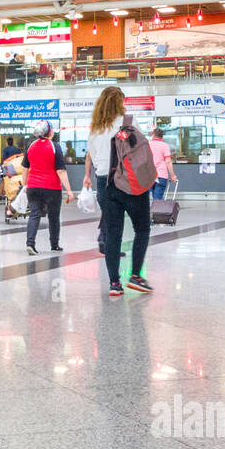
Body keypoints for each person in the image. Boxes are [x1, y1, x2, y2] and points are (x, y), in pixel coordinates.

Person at [100, 112, 154, 296]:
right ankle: (136, 276)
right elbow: (140, 155)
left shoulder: (95, 126)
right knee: (142, 229)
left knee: (113, 235)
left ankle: (114, 283)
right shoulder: (129, 121)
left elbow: (95, 157)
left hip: (108, 184)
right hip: (132, 185)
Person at [19, 119, 73, 255]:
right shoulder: (55, 146)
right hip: (52, 188)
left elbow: (25, 169)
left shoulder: (31, 146)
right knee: (53, 216)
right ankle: (54, 245)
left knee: (34, 214)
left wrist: (25, 185)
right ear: (49, 132)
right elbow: (61, 171)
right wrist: (69, 190)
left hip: (33, 187)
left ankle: (30, 243)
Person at [84, 85, 125, 254]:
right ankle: (110, 246)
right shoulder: (125, 122)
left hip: (102, 177)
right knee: (117, 216)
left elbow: (90, 154)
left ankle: (105, 241)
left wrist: (88, 174)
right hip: (120, 177)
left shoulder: (95, 128)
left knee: (109, 213)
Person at [149, 128, 177, 200]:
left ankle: (156, 209)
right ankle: (159, 209)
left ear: (153, 135)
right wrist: (172, 175)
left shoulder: (147, 144)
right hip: (161, 175)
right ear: (162, 136)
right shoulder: (165, 145)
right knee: (158, 198)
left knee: (151, 198)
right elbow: (168, 161)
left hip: (149, 176)